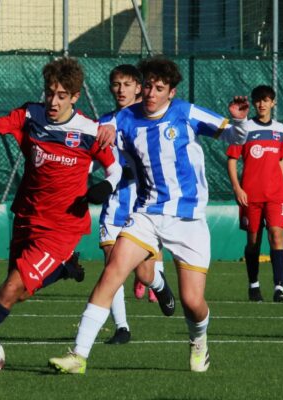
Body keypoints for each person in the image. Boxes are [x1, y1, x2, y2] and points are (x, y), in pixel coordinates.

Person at [49, 56, 250, 374]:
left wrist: (238, 121)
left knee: (192, 301)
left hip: (188, 219)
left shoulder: (185, 112)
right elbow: (98, 132)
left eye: (159, 88)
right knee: (112, 271)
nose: (152, 93)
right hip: (146, 213)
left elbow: (234, 138)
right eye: (148, 86)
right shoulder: (125, 118)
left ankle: (199, 341)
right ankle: (78, 354)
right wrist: (96, 135)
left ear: (171, 92)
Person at [0, 57, 122, 373]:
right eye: (50, 92)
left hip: (61, 228)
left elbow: (115, 170)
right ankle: (63, 270)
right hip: (27, 217)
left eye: (61, 95)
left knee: (9, 290)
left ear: (75, 97)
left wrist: (105, 187)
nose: (53, 101)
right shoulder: (32, 115)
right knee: (14, 292)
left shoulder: (89, 131)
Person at [97, 64, 162, 345]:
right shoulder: (103, 122)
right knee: (112, 268)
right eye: (116, 84)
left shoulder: (150, 120)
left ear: (139, 87)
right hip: (113, 208)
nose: (120, 90)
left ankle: (159, 284)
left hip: (143, 209)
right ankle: (122, 328)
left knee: (144, 273)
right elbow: (91, 156)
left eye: (126, 84)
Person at [226, 85, 283, 303]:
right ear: (253, 103)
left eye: (266, 100)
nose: (262, 104)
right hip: (250, 195)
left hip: (275, 195)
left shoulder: (281, 129)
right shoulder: (245, 128)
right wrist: (237, 188)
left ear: (273, 103)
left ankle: (279, 288)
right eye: (258, 100)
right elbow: (232, 160)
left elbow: (281, 160)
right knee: (253, 241)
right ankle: (254, 285)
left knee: (276, 236)